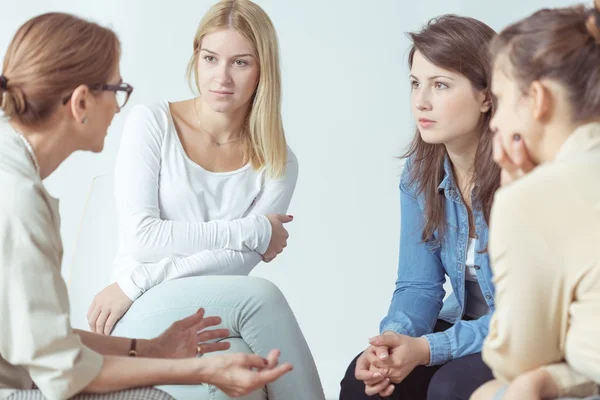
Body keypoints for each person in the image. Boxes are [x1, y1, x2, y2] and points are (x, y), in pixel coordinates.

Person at [0, 12, 292, 400]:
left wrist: (151, 349)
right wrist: (197, 369)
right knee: (256, 302)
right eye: (117, 89)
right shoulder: (18, 201)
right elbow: (61, 369)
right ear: (82, 101)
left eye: (240, 62)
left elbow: (42, 341)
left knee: (239, 378)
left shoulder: (17, 180)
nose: (120, 108)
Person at [86, 1, 325, 399]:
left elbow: (236, 262)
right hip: (136, 307)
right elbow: (144, 238)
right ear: (196, 57)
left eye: (240, 63)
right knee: (263, 296)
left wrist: (141, 275)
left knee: (248, 384)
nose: (222, 77)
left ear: (263, 69)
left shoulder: (278, 161)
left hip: (207, 310)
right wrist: (252, 229)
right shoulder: (153, 123)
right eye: (211, 58)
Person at [340, 15, 501, 400]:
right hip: (464, 324)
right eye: (415, 83)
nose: (420, 101)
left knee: (450, 388)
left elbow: (525, 318)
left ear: (487, 96)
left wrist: (427, 350)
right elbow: (418, 285)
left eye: (440, 85)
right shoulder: (419, 174)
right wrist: (393, 340)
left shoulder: (522, 178)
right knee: (364, 383)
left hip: (524, 335)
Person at [469, 1, 600, 400]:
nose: (493, 121)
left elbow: (518, 360)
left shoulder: (531, 200)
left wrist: (514, 195)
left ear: (538, 99)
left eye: (502, 98)